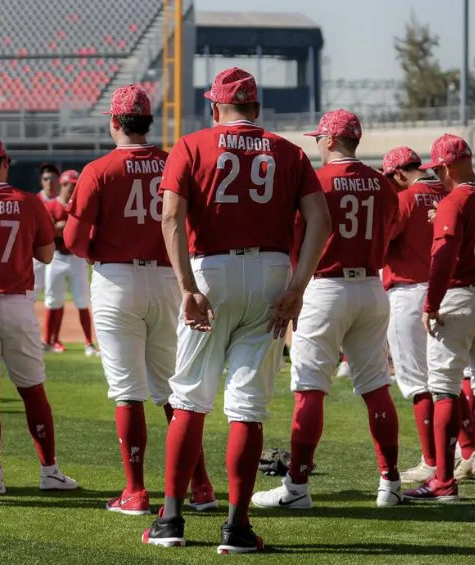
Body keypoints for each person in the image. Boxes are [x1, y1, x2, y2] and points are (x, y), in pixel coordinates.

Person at [143, 67, 331, 554]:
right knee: (247, 406)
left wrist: (186, 286)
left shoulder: (191, 144)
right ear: (257, 109)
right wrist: (298, 284)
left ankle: (171, 519)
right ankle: (237, 527)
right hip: (269, 270)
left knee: (189, 398)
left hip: (212, 269)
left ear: (215, 107)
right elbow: (320, 220)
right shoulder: (288, 150)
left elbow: (170, 216)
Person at [64, 85, 217, 515]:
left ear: (115, 122)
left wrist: (97, 250)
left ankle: (135, 490)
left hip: (116, 279)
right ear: (149, 122)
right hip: (171, 279)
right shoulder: (174, 161)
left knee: (127, 391)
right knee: (175, 389)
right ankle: (201, 486)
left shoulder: (98, 169)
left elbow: (74, 240)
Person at [253, 109, 402, 510]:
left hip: (325, 287)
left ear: (331, 140)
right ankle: (390, 482)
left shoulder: (317, 181)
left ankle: (297, 487)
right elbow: (390, 232)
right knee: (375, 388)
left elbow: (296, 237)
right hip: (371, 285)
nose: (316, 144)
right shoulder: (383, 184)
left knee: (310, 387)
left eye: (319, 138)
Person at [0, 134, 78, 494]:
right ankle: (50, 471)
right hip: (18, 303)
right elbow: (44, 255)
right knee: (33, 392)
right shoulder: (29, 203)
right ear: (5, 161)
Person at [403, 134, 475, 501]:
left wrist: (430, 303)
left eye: (439, 169)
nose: (439, 176)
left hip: (459, 296)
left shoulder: (455, 200)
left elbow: (444, 256)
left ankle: (444, 481)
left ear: (448, 165)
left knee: (444, 389)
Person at [378, 146, 449, 484]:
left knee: (417, 383)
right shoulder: (448, 192)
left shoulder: (405, 199)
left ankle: (432, 461)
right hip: (448, 289)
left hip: (409, 293)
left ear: (398, 173)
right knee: (448, 381)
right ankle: (464, 451)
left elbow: (381, 242)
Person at [42, 169, 97, 355]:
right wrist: (61, 228)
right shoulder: (52, 206)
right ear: (63, 184)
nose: (73, 188)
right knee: (53, 300)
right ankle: (49, 341)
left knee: (82, 300)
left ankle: (89, 343)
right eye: (70, 184)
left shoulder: (80, 204)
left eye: (75, 184)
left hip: (76, 258)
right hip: (57, 256)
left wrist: (62, 227)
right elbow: (48, 232)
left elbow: (83, 229)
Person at [33, 164, 60, 300]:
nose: (49, 182)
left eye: (53, 178)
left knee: (54, 293)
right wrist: (56, 227)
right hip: (39, 250)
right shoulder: (35, 201)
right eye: (46, 178)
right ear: (41, 181)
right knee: (34, 288)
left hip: (59, 252)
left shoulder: (64, 199)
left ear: (59, 179)